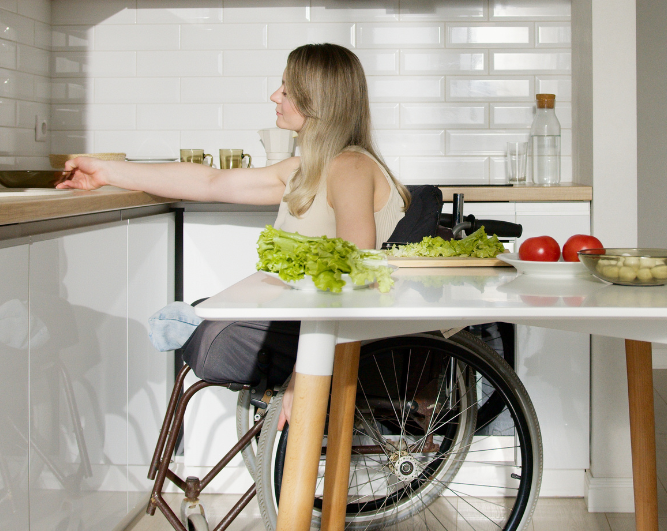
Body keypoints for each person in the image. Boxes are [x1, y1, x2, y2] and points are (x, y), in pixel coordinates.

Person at [56, 43, 409, 422]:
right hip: (304, 325)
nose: (275, 96)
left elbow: (352, 271)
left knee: (204, 330)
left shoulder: (350, 167)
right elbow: (210, 182)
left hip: (329, 336)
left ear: (315, 99)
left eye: (287, 90)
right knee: (200, 318)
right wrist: (106, 172)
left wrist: (304, 373)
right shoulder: (308, 169)